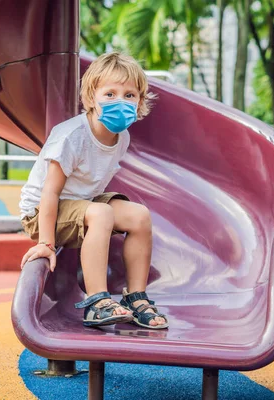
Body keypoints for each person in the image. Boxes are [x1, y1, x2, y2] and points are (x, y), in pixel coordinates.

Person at [19, 52, 168, 330]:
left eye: (129, 95)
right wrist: (47, 243)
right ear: (90, 99)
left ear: (140, 102)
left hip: (80, 203)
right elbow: (50, 192)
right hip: (40, 211)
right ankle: (96, 302)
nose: (120, 102)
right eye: (109, 94)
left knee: (139, 215)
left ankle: (135, 298)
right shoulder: (72, 136)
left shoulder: (121, 137)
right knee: (100, 213)